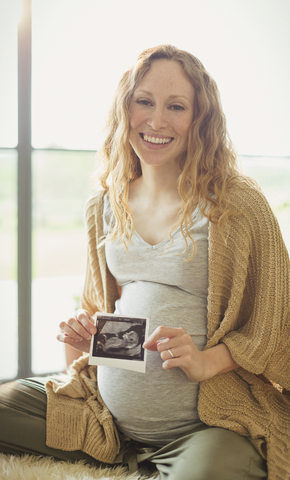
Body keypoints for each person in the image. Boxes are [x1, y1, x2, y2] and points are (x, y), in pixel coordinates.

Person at [0, 44, 289, 480]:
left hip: (207, 424)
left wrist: (206, 362)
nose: (156, 121)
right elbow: (101, 312)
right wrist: (82, 340)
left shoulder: (238, 205)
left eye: (176, 106)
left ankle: (172, 461)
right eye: (144, 102)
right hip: (106, 417)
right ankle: (124, 453)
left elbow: (275, 324)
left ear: (200, 118)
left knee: (212, 470)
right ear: (125, 109)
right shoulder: (104, 204)